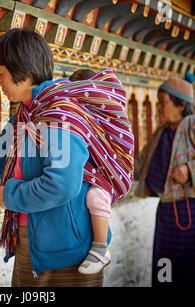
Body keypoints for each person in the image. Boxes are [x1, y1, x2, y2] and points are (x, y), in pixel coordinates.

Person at [0, 28, 134, 287]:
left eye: (1, 73)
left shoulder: (59, 114)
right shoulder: (25, 117)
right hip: (31, 242)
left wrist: (10, 195)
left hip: (67, 252)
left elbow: (61, 185)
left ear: (24, 72)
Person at [134, 73, 195, 287]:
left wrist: (191, 170)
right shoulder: (161, 132)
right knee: (165, 265)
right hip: (168, 210)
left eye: (162, 102)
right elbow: (142, 162)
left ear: (180, 104)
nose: (158, 107)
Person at [68, 69, 126, 275]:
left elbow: (116, 145)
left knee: (95, 197)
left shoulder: (107, 115)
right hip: (93, 168)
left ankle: (101, 248)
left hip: (106, 172)